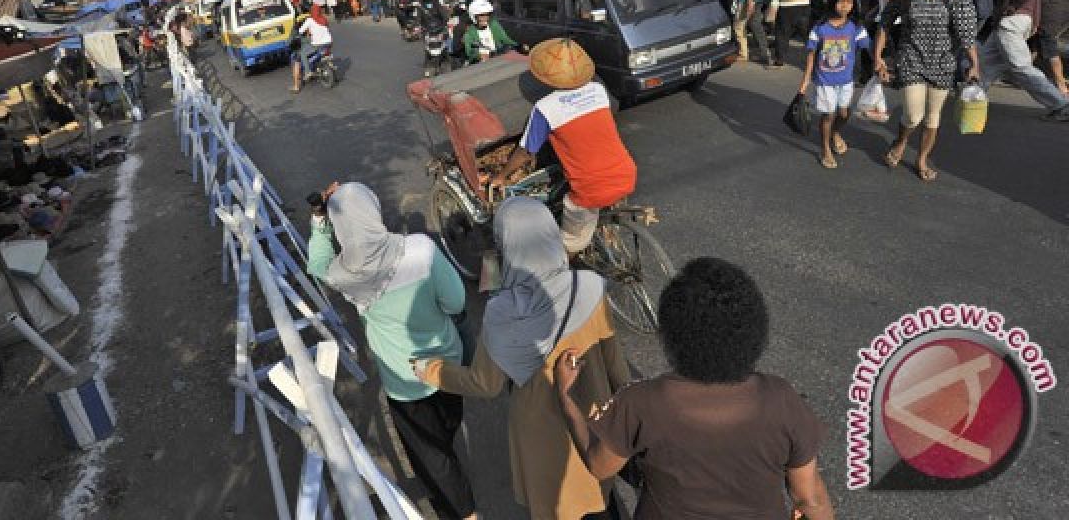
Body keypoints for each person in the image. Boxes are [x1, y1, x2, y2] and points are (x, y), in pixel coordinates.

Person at [554, 257, 834, 520]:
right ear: (751, 331)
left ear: (674, 335)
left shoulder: (640, 402)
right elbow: (809, 499)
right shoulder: (780, 398)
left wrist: (567, 399)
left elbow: (599, 466)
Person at [417, 197, 630, 520]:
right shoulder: (588, 287)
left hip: (541, 437)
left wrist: (432, 370)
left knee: (560, 504)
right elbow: (616, 365)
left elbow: (485, 384)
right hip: (594, 416)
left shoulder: (503, 313)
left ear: (502, 244)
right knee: (599, 493)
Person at [308, 183, 477, 520]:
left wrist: (319, 219)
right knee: (444, 432)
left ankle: (463, 512)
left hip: (404, 379)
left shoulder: (344, 274)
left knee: (432, 456)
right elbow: (456, 302)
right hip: (447, 363)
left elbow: (317, 264)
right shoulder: (420, 250)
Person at [491, 39, 636, 254]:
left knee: (566, 247)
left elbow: (526, 151)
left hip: (590, 187)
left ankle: (564, 269)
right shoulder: (598, 90)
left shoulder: (546, 107)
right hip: (626, 172)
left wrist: (502, 176)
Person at [876, 0, 981, 181]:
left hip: (943, 63)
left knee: (933, 118)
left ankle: (922, 158)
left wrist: (974, 63)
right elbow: (884, 23)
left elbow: (966, 31)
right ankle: (901, 140)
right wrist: (877, 58)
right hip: (911, 60)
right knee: (913, 115)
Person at [977, 0, 1069, 120]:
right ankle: (974, 99)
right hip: (1016, 20)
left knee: (1021, 69)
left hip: (1011, 23)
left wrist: (1015, 4)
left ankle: (1060, 104)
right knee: (983, 63)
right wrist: (1032, 18)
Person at [799, 0, 871, 168]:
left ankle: (835, 133)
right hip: (824, 81)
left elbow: (868, 48)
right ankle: (825, 148)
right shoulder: (820, 28)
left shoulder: (856, 27)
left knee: (844, 113)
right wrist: (805, 81)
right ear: (833, 2)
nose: (845, 6)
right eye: (841, 1)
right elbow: (811, 55)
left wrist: (880, 64)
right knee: (828, 115)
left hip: (846, 80)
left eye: (849, 2)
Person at [855, 0, 904, 123]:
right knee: (889, 51)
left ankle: (880, 78)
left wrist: (885, 16)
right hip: (891, 18)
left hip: (888, 20)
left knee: (878, 51)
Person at [290, 3, 332, 93]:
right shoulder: (324, 19)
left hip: (317, 44)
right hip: (329, 43)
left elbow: (300, 31)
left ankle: (308, 72)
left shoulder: (309, 20)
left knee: (302, 53)